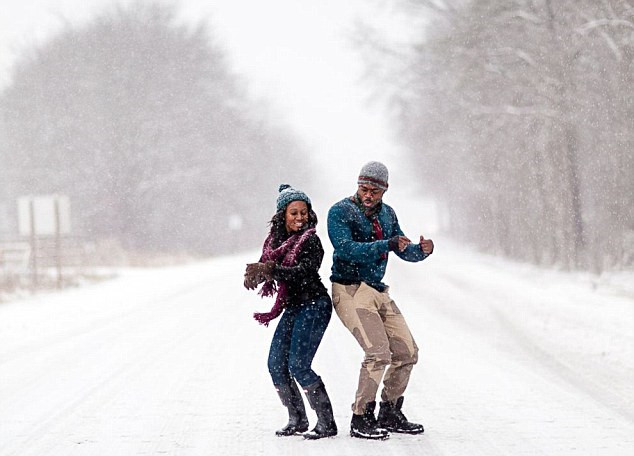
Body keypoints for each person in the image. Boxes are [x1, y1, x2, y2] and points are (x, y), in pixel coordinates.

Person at [327, 161, 434, 440]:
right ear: (358, 185)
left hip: (377, 290)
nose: (369, 195)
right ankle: (361, 417)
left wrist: (421, 251)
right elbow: (346, 249)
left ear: (384, 190)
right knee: (378, 353)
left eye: (375, 190)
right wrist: (385, 244)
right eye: (364, 188)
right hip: (348, 289)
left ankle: (390, 411)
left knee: (407, 352)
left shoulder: (388, 214)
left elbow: (401, 247)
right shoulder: (340, 212)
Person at [243, 184, 337, 440]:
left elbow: (304, 274)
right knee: (276, 364)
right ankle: (297, 419)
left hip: (315, 305)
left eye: (303, 213)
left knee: (299, 365)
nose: (299, 218)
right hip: (294, 307)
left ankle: (327, 423)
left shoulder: (311, 241)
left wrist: (271, 271)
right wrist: (258, 272)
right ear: (282, 215)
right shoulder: (276, 242)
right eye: (294, 213)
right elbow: (268, 264)